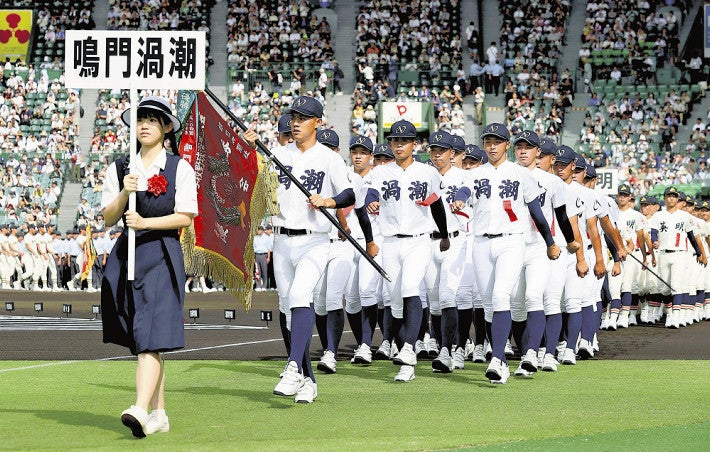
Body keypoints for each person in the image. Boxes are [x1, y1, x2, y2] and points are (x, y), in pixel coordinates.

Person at [243, 96, 356, 403]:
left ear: (318, 122)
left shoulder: (329, 158)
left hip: (314, 240)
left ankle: (293, 366)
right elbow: (252, 179)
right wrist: (250, 148)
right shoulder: (277, 154)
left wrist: (329, 201)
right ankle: (308, 379)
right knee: (287, 307)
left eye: (303, 117)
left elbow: (349, 193)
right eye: (293, 116)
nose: (295, 122)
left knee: (299, 297)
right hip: (281, 238)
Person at [101, 96, 198, 437]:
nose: (143, 125)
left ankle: (140, 410)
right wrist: (125, 195)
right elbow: (108, 217)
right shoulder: (120, 167)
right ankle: (159, 413)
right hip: (127, 254)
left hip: (161, 251)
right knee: (143, 335)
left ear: (167, 127)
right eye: (140, 119)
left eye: (152, 120)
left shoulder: (178, 168)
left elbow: (185, 216)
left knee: (149, 335)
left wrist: (145, 223)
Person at [451, 123, 560, 384]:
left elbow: (537, 212)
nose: (491, 145)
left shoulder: (520, 174)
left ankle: (498, 359)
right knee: (488, 304)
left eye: (497, 141)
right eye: (488, 141)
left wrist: (549, 242)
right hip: (480, 242)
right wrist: (460, 198)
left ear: (506, 146)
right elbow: (464, 190)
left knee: (502, 295)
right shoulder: (475, 173)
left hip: (512, 241)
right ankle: (498, 353)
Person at [364, 120, 450, 382]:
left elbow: (437, 206)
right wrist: (371, 202)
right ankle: (407, 363)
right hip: (390, 241)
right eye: (394, 141)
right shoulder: (381, 172)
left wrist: (444, 235)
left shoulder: (427, 172)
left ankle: (410, 348)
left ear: (415, 144)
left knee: (411, 288)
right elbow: (368, 193)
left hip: (418, 240)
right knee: (395, 301)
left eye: (404, 141)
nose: (399, 145)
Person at [253, 225, 270, 291]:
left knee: (264, 271)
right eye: (257, 230)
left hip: (264, 255)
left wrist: (268, 257)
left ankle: (264, 286)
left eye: (259, 230)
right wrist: (254, 257)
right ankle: (258, 285)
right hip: (257, 255)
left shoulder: (266, 238)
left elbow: (268, 248)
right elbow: (253, 248)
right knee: (257, 271)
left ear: (262, 230)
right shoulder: (255, 238)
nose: (258, 231)